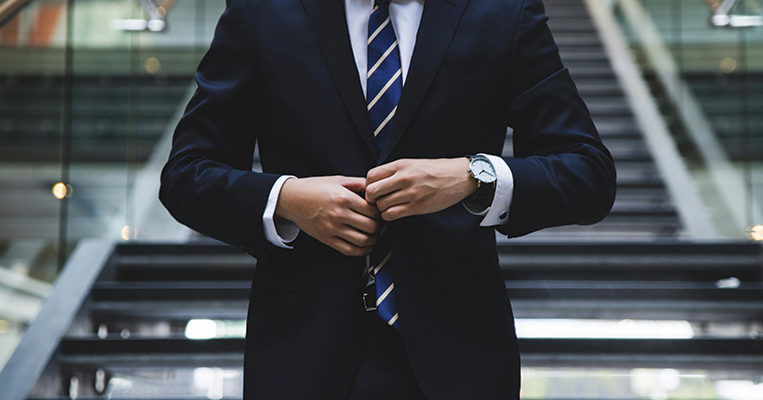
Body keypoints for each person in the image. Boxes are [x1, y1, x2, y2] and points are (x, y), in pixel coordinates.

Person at [159, 0, 616, 398]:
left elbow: (588, 172)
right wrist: (286, 198)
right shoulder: (260, 10)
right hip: (300, 353)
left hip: (460, 357)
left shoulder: (503, 10)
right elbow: (186, 174)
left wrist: (473, 174)